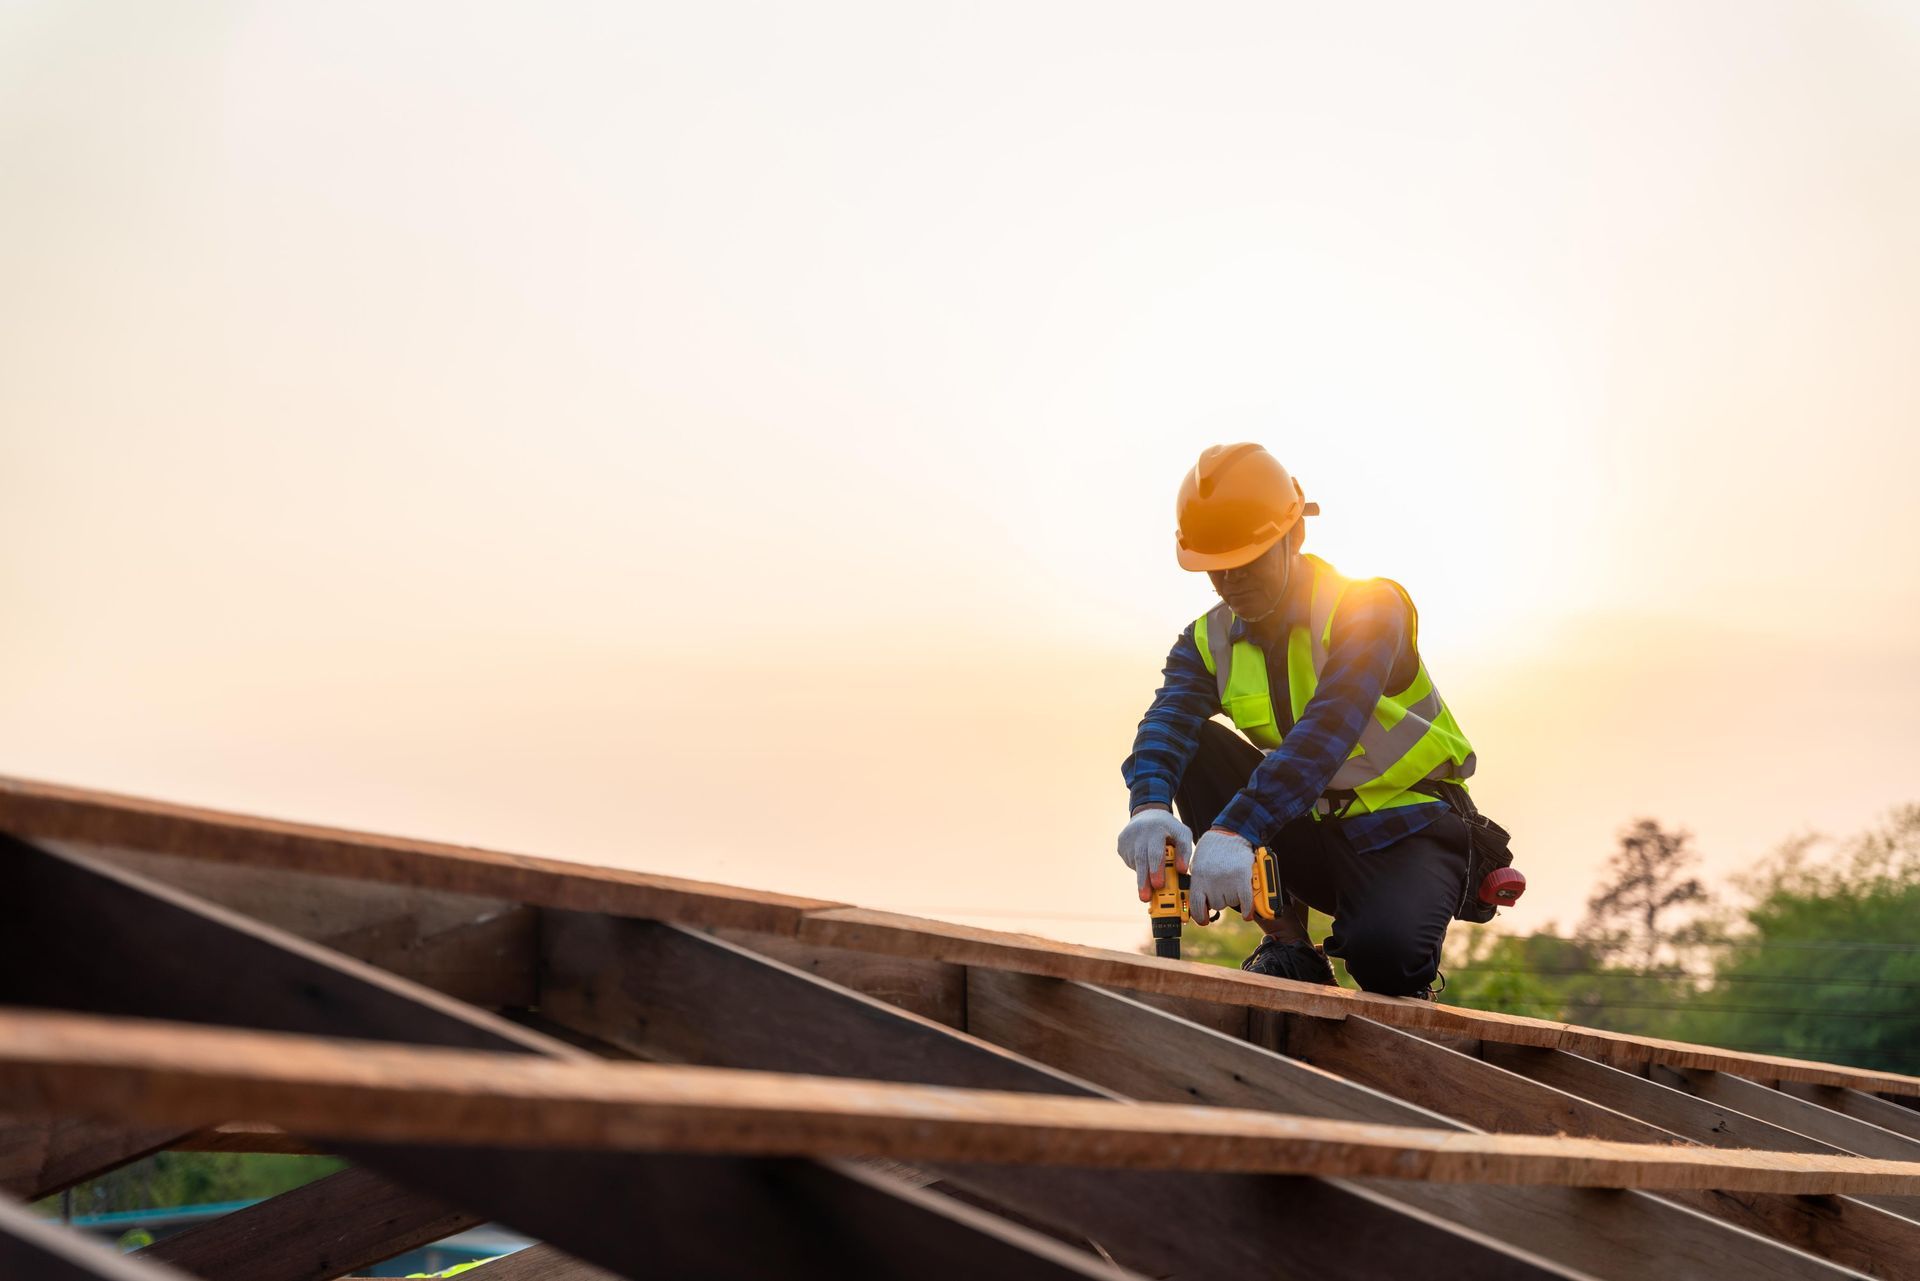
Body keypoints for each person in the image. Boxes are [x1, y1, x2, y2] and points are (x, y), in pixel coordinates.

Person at [1117, 443, 1482, 996]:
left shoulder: (1368, 608)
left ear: (1295, 538)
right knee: (1188, 750)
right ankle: (1289, 944)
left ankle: (1400, 956)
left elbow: (1327, 732)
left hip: (1406, 828)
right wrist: (1148, 807)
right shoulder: (1204, 643)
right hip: (1305, 827)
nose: (1231, 581)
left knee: (1385, 961)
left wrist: (1235, 829)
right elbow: (1166, 723)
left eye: (1246, 561)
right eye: (1216, 569)